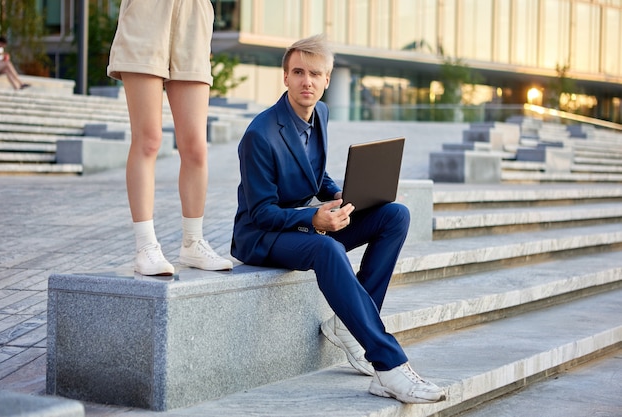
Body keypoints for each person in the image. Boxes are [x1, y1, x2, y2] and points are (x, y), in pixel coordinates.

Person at [231, 34, 446, 404]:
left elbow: (316, 174)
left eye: (315, 74)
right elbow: (260, 212)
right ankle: (389, 367)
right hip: (262, 236)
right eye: (298, 72)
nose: (307, 82)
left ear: (327, 79)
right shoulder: (259, 135)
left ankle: (346, 325)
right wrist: (313, 220)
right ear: (285, 77)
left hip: (305, 223)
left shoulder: (322, 113)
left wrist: (338, 196)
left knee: (394, 215)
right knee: (327, 249)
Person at [107, 0, 232, 276]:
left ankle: (192, 242)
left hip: (193, 13)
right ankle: (145, 245)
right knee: (148, 139)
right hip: (148, 12)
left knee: (196, 147)